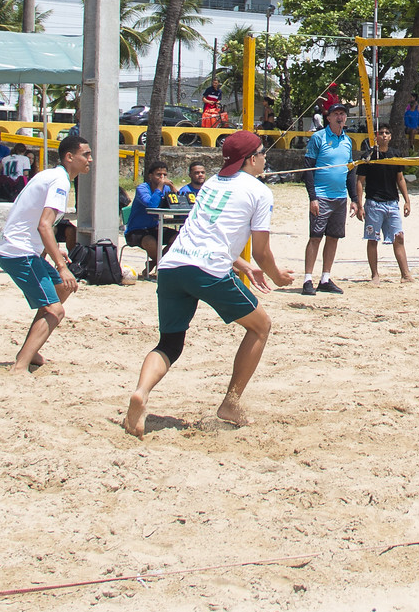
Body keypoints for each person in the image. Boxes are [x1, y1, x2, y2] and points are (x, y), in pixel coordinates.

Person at [125, 131, 293, 434]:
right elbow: (262, 251)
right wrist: (277, 275)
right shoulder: (259, 191)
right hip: (208, 270)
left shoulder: (212, 183)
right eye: (262, 152)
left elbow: (207, 232)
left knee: (169, 343)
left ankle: (141, 392)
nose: (265, 157)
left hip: (173, 265)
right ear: (251, 158)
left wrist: (242, 265)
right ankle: (231, 402)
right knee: (261, 326)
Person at [0, 133, 92, 374]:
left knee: (63, 288)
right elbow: (44, 225)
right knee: (55, 309)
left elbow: (32, 219)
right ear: (70, 157)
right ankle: (20, 366)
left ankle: (30, 348)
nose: (90, 159)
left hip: (22, 249)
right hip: (19, 253)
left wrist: (54, 250)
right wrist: (61, 265)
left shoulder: (52, 176)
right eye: (86, 155)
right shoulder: (59, 180)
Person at [300, 101, 355, 295]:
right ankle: (307, 279)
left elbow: (350, 172)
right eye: (336, 114)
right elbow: (308, 169)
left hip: (339, 197)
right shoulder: (319, 137)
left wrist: (354, 199)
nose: (340, 117)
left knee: (333, 238)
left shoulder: (347, 141)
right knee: (315, 237)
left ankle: (325, 278)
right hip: (321, 196)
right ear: (329, 118)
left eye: (343, 114)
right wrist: (312, 198)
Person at [355, 123, 412, 283]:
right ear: (376, 136)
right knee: (373, 239)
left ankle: (406, 274)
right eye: (381, 133)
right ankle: (375, 275)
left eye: (387, 133)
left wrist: (407, 200)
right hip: (374, 203)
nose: (384, 135)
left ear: (391, 136)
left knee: (398, 237)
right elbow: (360, 181)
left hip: (392, 203)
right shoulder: (368, 156)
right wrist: (359, 205)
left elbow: (400, 178)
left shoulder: (395, 155)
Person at [126, 164, 173, 268]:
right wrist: (159, 187)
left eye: (164, 175)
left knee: (178, 238)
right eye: (158, 175)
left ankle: (154, 262)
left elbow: (178, 202)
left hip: (155, 228)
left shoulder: (166, 189)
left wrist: (172, 187)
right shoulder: (142, 188)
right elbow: (152, 205)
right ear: (150, 176)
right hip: (136, 230)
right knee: (150, 241)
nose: (162, 178)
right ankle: (161, 265)